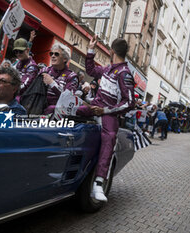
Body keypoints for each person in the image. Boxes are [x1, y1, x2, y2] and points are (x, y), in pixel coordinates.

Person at [76, 36, 135, 202]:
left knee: (109, 139)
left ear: (111, 51)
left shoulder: (124, 74)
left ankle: (98, 184)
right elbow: (90, 71)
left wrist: (106, 110)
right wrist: (90, 50)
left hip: (108, 115)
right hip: (93, 107)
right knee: (68, 111)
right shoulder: (108, 69)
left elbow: (129, 103)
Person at [40, 43, 78, 114]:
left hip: (55, 113)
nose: (53, 56)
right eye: (51, 54)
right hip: (37, 108)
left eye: (56, 54)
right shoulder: (44, 70)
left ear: (64, 59)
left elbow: (68, 99)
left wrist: (52, 83)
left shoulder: (72, 76)